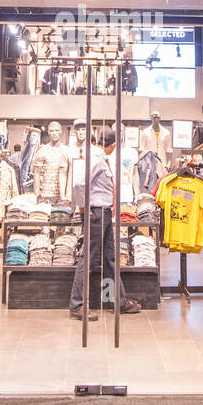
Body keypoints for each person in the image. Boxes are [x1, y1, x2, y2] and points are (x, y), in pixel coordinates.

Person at [69, 127, 142, 321]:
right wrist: (84, 208)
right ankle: (77, 304)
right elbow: (78, 183)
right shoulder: (96, 157)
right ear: (112, 145)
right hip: (97, 213)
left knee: (110, 258)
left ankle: (117, 300)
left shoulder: (99, 156)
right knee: (89, 259)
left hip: (104, 212)